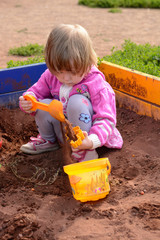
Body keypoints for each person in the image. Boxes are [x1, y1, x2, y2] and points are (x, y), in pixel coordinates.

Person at [19, 24, 123, 162]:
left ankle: (84, 151)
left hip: (89, 136)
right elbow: (36, 92)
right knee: (44, 104)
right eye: (59, 72)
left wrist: (91, 141)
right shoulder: (50, 76)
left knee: (76, 102)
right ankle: (49, 141)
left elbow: (107, 119)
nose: (66, 78)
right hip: (62, 132)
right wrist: (29, 101)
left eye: (73, 72)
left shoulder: (97, 85)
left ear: (86, 62)